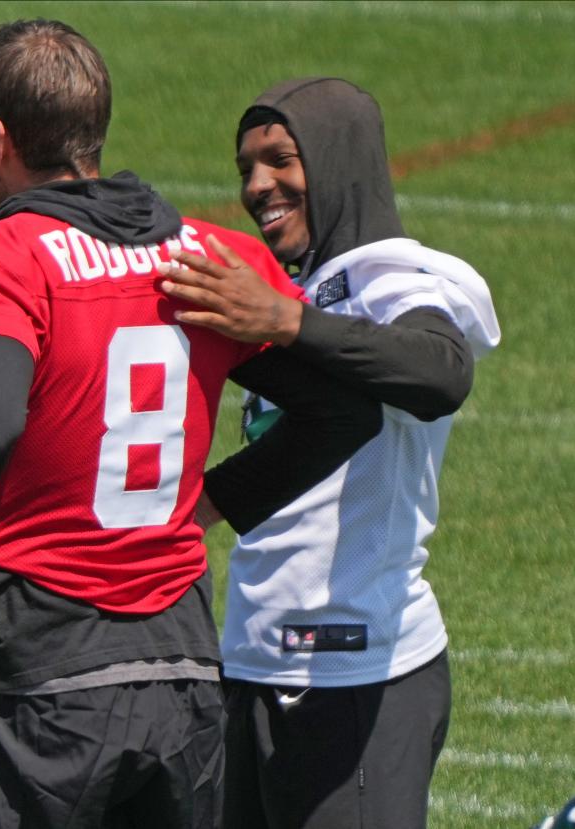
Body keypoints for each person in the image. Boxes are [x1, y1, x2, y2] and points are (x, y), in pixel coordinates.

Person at [0, 27, 383, 829]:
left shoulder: (0, 260)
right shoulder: (209, 256)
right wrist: (212, 502)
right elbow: (343, 409)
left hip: (36, 677)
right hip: (180, 670)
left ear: (0, 138)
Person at [157, 77, 501, 828]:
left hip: (355, 672)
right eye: (246, 166)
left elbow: (440, 373)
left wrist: (285, 321)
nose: (257, 185)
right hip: (252, 659)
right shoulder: (297, 284)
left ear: (337, 158)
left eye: (280, 159)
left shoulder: (397, 279)